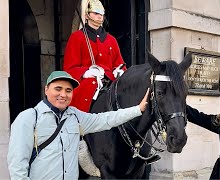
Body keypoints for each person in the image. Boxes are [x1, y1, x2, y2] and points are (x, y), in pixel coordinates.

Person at [7, 71, 149, 180]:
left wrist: (137, 109)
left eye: (68, 91)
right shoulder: (28, 118)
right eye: (58, 89)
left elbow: (105, 119)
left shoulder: (75, 116)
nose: (63, 94)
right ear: (46, 89)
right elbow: (18, 165)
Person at [63, 0, 126, 112]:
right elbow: (69, 68)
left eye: (101, 14)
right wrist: (86, 72)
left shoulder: (111, 40)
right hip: (87, 83)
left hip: (110, 82)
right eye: (96, 13)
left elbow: (119, 63)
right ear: (87, 15)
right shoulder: (77, 37)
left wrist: (120, 71)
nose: (99, 17)